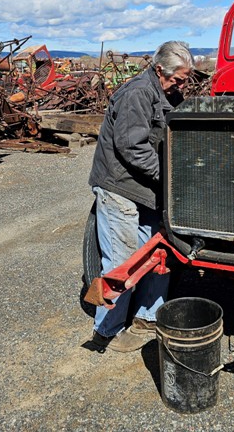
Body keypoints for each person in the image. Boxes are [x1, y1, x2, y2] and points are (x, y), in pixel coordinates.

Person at [87, 40, 194, 352]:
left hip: (147, 189)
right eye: (178, 79)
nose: (182, 84)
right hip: (121, 186)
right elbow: (132, 146)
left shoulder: (167, 92)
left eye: (186, 78)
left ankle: (148, 317)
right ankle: (107, 330)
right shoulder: (137, 92)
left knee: (159, 250)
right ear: (159, 69)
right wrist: (170, 177)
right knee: (122, 260)